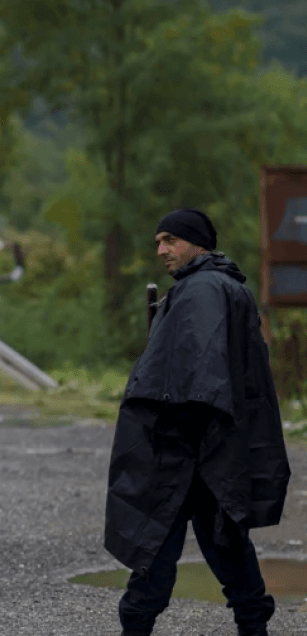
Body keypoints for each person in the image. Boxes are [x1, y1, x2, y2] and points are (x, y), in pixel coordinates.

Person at [104, 208, 291, 636]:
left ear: (197, 242)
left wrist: (166, 438)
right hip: (215, 448)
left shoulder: (201, 290)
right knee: (227, 547)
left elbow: (196, 378)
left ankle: (136, 628)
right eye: (157, 242)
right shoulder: (225, 285)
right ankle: (254, 628)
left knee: (157, 548)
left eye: (170, 240)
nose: (161, 250)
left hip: (186, 450)